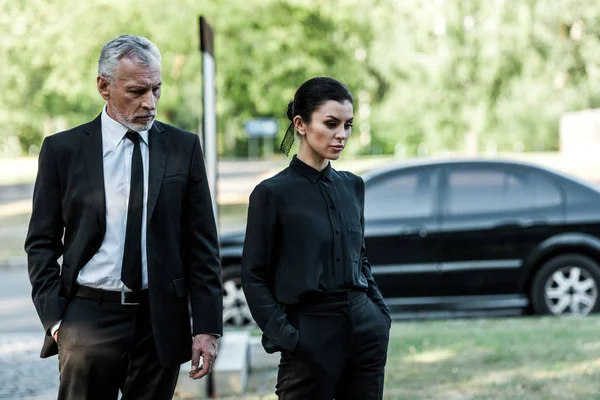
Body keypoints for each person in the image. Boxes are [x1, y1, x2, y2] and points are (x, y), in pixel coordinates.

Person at [24, 34, 223, 399]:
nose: (150, 102)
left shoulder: (183, 148)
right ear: (104, 86)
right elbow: (41, 244)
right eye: (137, 91)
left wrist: (207, 328)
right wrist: (57, 322)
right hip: (88, 318)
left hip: (160, 319)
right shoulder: (62, 150)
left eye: (157, 89)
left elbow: (203, 246)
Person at [241, 77, 391, 399]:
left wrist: (380, 316)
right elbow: (253, 277)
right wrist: (290, 338)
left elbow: (360, 259)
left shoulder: (353, 186)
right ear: (301, 124)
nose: (342, 135)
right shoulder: (271, 194)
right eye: (331, 123)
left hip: (364, 328)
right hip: (309, 330)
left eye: (348, 125)